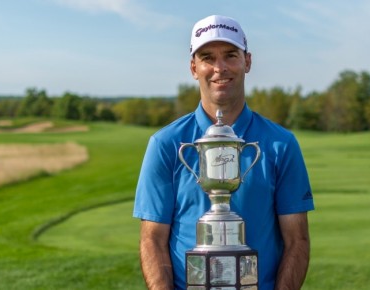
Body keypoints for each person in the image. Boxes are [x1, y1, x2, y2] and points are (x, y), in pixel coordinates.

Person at [133, 15, 314, 290]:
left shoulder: (281, 144)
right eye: (207, 57)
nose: (220, 68)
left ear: (247, 62)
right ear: (194, 68)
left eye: (230, 55)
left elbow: (296, 240)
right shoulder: (166, 144)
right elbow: (152, 240)